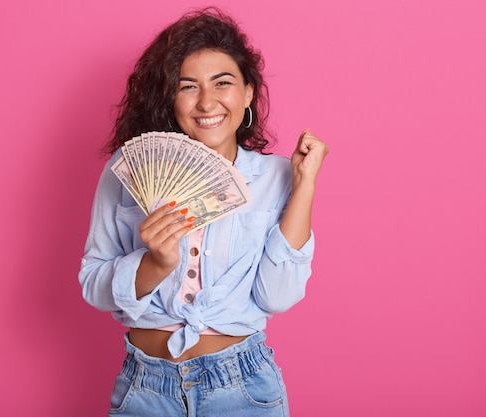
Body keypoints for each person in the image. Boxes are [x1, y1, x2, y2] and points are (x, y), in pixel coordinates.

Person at [79, 7, 328, 416]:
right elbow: (93, 284)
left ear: (248, 92)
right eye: (188, 86)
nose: (207, 101)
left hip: (243, 387)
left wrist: (305, 187)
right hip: (145, 388)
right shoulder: (129, 169)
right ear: (169, 97)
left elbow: (277, 296)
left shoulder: (278, 176)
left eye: (223, 83)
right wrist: (155, 264)